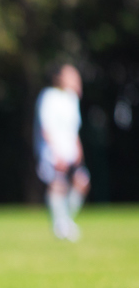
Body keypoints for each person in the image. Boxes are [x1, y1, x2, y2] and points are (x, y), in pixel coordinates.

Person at [34, 64, 90, 241]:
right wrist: (54, 152)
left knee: (82, 182)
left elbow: (74, 129)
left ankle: (64, 221)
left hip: (70, 151)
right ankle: (60, 225)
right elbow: (46, 127)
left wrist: (78, 149)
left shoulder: (72, 99)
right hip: (53, 151)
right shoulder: (49, 96)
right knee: (58, 185)